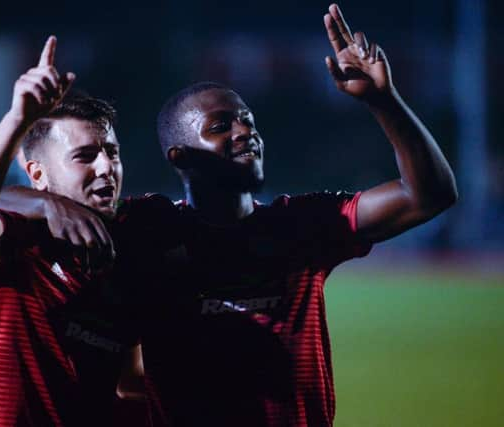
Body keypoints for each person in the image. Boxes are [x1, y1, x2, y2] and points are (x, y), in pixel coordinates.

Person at [126, 4, 457, 426]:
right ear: (180, 155)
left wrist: (383, 100)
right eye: (220, 126)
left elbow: (427, 195)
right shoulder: (148, 231)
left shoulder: (301, 225)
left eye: (247, 121)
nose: (245, 131)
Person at [0, 36, 149, 426]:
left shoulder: (124, 250)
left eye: (112, 152)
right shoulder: (12, 242)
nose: (106, 168)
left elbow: (129, 379)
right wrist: (17, 120)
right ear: (37, 174)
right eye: (85, 156)